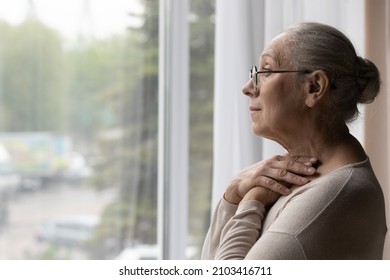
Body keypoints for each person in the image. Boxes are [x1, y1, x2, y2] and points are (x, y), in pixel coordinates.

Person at [201, 22, 387, 260]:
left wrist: (251, 198)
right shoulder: (298, 178)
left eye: (266, 71)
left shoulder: (334, 194)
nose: (248, 88)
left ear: (314, 86)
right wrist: (232, 195)